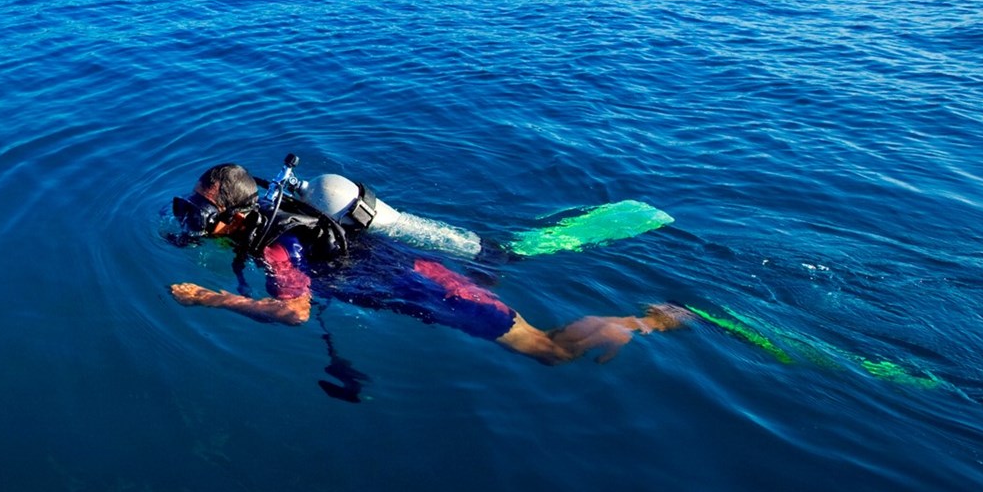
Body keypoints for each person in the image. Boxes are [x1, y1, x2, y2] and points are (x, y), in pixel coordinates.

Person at [168, 162, 686, 366]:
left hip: (425, 286)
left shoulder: (278, 246)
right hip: (412, 270)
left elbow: (294, 312)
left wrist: (209, 298)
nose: (192, 218)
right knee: (537, 338)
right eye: (190, 205)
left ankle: (648, 321)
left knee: (548, 350)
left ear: (238, 213)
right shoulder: (274, 214)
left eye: (202, 212)